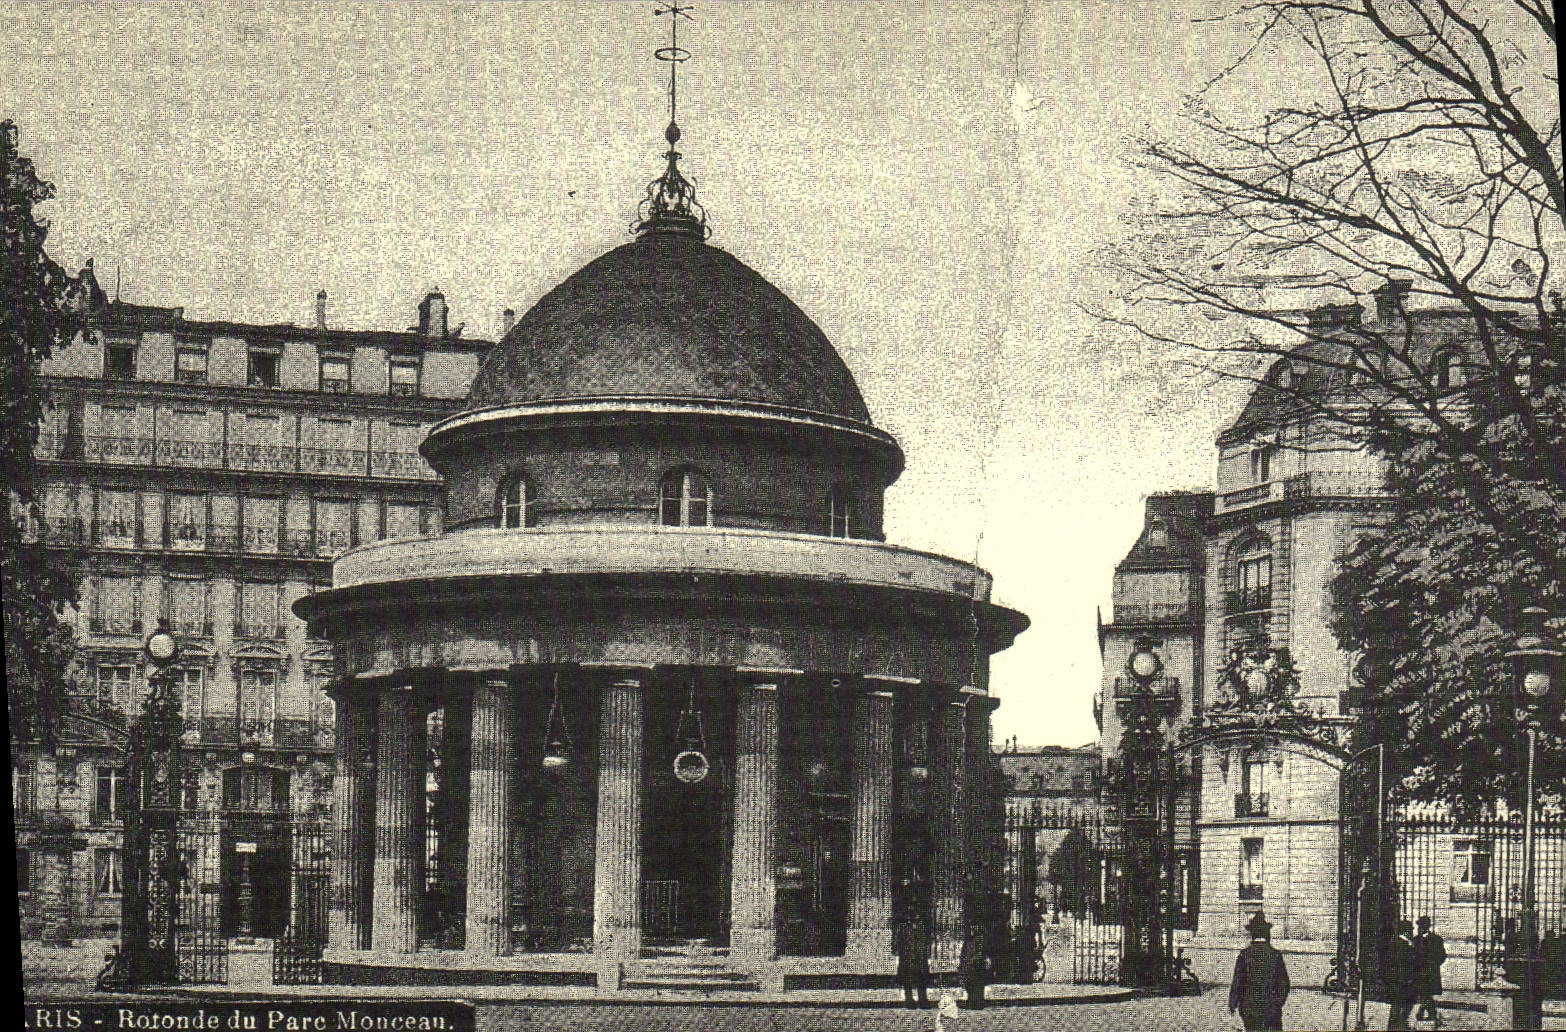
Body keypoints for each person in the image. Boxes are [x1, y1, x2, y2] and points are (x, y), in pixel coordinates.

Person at [1229, 910, 1291, 1031]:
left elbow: (1237, 983)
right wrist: (1277, 1003)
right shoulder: (1275, 955)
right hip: (1271, 1011)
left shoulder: (1244, 955)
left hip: (1249, 1011)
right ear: (1267, 934)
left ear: (1252, 934)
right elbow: (1284, 984)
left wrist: (1233, 1006)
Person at [894, 865, 932, 1009]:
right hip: (907, 930)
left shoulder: (922, 893)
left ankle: (922, 997)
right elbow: (899, 912)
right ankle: (909, 997)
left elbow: (925, 910)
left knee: (921, 964)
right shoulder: (902, 894)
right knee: (908, 964)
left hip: (918, 929)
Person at [1413, 916, 1446, 1027]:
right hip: (1419, 972)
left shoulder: (1436, 940)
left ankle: (1425, 1012)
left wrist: (1434, 964)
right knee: (1424, 993)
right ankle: (1429, 1013)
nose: (1421, 928)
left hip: (1431, 972)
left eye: (1423, 926)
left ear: (1428, 926)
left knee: (1426, 993)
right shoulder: (1416, 940)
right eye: (1420, 925)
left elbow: (1442, 955)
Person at [1385, 919, 1417, 1031]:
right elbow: (1401, 963)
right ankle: (1395, 1027)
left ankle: (1398, 1025)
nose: (1412, 932)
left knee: (1399, 1004)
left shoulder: (1399, 942)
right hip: (1400, 980)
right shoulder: (1400, 944)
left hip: (1399, 980)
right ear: (1406, 931)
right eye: (1410, 930)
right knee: (1398, 1004)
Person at [958, 919, 990, 1010]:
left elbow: (982, 952)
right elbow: (965, 953)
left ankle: (977, 1002)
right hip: (969, 965)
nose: (972, 929)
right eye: (971, 927)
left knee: (977, 984)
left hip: (977, 964)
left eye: (974, 927)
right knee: (970, 984)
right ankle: (972, 1001)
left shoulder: (980, 939)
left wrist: (975, 960)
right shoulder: (969, 940)